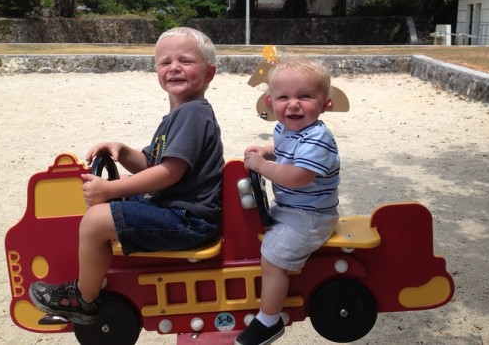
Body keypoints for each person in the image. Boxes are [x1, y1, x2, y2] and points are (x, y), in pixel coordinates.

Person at [30, 27, 224, 325]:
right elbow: (151, 163)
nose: (174, 67)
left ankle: (83, 298)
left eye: (185, 61)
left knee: (96, 220)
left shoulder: (193, 114)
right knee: (118, 200)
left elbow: (170, 173)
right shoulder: (179, 114)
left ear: (209, 73)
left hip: (189, 220)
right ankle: (97, 274)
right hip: (176, 207)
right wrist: (121, 150)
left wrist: (110, 189)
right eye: (165, 62)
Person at [236, 57, 340, 345]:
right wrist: (267, 151)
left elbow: (296, 177)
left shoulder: (317, 138)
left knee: (272, 256)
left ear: (325, 103)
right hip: (291, 209)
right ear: (270, 101)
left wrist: (260, 165)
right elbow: (283, 148)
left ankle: (268, 321)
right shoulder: (286, 129)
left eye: (305, 96)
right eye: (284, 97)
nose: (293, 104)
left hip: (311, 216)